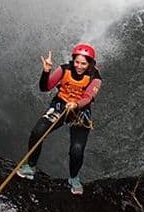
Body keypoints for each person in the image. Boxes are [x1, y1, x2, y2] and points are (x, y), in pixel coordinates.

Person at [16, 43, 102, 195]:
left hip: (80, 111)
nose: (79, 66)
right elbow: (45, 87)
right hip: (60, 105)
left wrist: (76, 104)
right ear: (73, 60)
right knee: (37, 133)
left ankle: (74, 178)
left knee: (77, 150)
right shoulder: (64, 69)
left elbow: (88, 98)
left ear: (90, 64)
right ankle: (31, 166)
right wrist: (46, 71)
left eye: (83, 63)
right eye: (77, 62)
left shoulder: (95, 78)